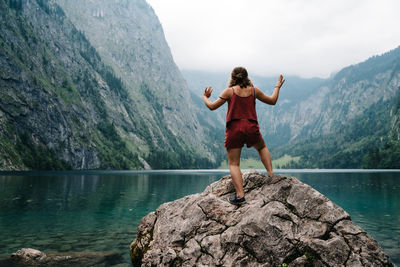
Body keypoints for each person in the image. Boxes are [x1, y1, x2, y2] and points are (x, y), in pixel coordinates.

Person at [202, 67, 285, 205]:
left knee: (234, 163)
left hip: (234, 129)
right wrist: (277, 86)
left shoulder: (229, 91)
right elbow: (272, 100)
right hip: (251, 127)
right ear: (246, 77)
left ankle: (240, 196)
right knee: (261, 147)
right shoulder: (253, 90)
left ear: (233, 78)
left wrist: (205, 97)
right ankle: (271, 175)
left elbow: (211, 106)